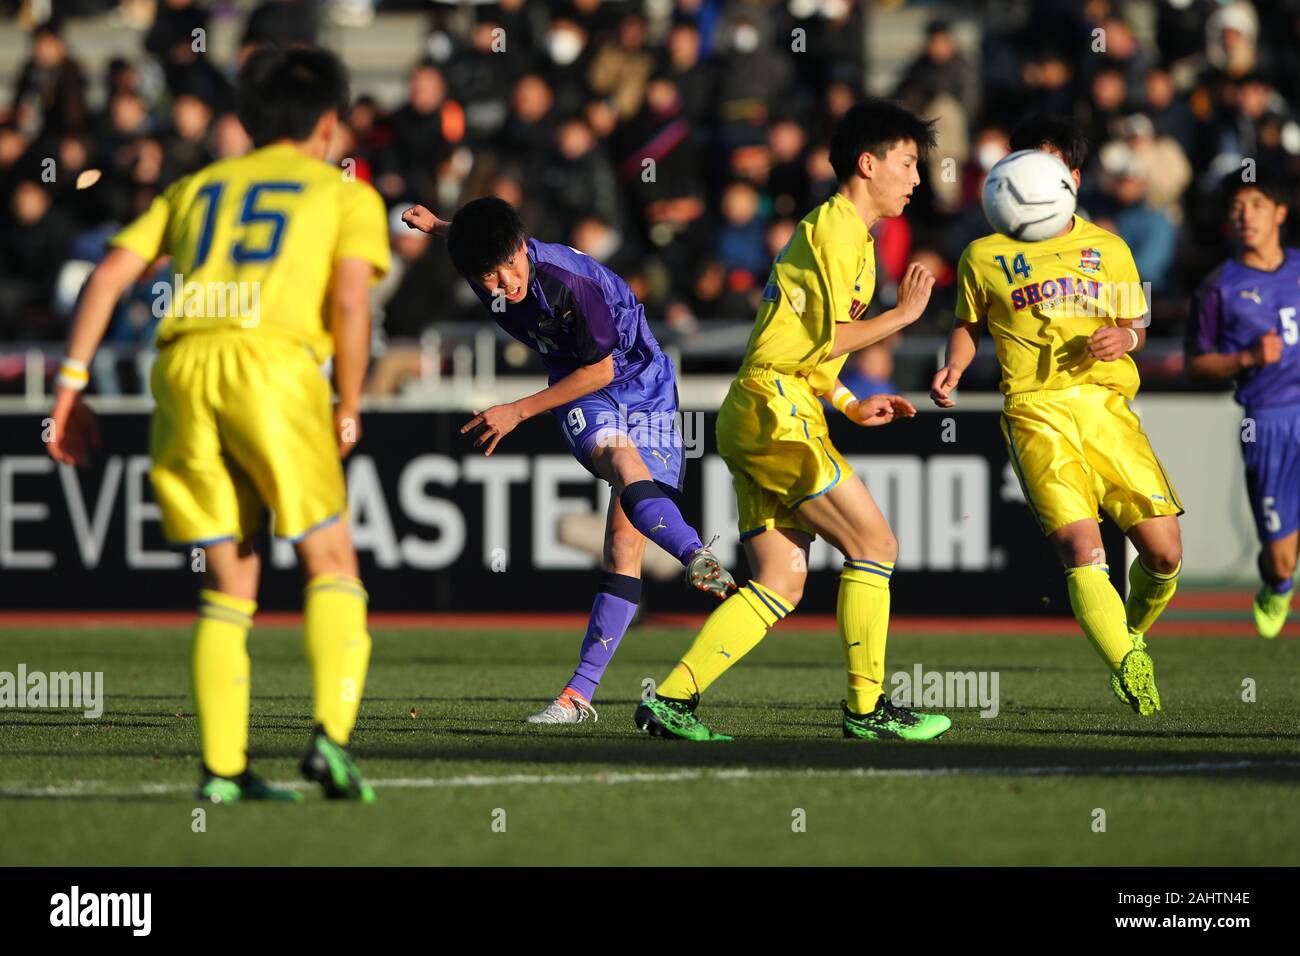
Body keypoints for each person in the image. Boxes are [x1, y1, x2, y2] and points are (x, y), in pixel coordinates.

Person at [46, 47, 390, 802]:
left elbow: (107, 276)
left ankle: (224, 771)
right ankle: (331, 742)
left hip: (179, 367)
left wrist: (68, 390)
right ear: (330, 124)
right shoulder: (344, 193)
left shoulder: (197, 186)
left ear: (247, 119)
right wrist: (351, 403)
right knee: (331, 559)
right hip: (271, 364)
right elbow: (353, 303)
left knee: (229, 585)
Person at [633, 99, 952, 742]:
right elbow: (832, 335)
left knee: (780, 579)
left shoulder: (851, 239)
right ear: (868, 164)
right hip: (774, 408)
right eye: (908, 162)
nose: (918, 178)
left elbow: (800, 343)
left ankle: (669, 700)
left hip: (764, 405)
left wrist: (849, 403)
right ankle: (867, 712)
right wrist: (903, 317)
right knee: (876, 546)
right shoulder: (836, 230)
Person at [402, 196, 736, 725]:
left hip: (639, 386)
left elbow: (602, 370)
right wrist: (442, 227)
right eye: (487, 276)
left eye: (508, 266)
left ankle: (578, 697)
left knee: (623, 544)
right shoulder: (486, 266)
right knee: (621, 461)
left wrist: (517, 410)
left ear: (521, 247)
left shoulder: (566, 282)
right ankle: (693, 554)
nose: (502, 284)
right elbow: (483, 244)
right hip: (581, 390)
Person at [932, 115, 1184, 717]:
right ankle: (1127, 664)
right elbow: (968, 324)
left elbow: (1137, 325)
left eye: (1043, 168)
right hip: (1035, 413)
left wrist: (1123, 338)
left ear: (1071, 177)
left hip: (1106, 410)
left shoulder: (1110, 246)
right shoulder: (984, 254)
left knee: (1164, 554)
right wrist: (955, 366)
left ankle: (1128, 634)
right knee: (1082, 547)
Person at [1185, 169, 1300, 638]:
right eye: (1236, 207)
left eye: (1255, 203)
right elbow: (1196, 364)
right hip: (1268, 424)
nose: (1245, 215)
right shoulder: (1219, 286)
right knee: (1281, 557)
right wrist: (1247, 357)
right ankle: (1277, 583)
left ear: (1279, 212)